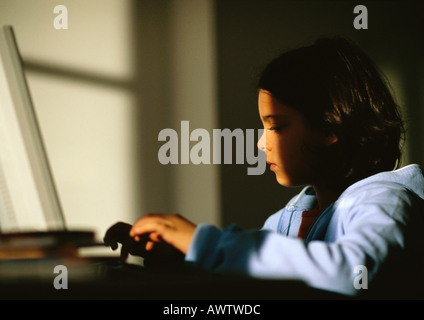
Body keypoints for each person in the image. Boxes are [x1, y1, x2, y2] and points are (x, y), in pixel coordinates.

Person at [104, 37, 424, 297]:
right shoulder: (287, 218)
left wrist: (206, 244)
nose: (260, 144)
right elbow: (252, 277)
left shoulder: (386, 201)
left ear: (330, 128)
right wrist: (179, 259)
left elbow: (353, 271)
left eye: (277, 126)